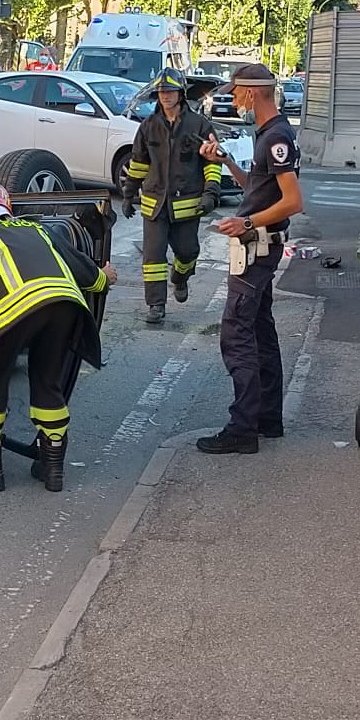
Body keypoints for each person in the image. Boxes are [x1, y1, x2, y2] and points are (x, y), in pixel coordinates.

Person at [0, 180, 116, 492]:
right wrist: (104, 278)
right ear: (7, 209)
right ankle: (52, 467)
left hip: (13, 309)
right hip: (66, 307)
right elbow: (82, 269)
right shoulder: (38, 229)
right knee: (47, 380)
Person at [195, 63, 304, 455]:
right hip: (259, 243)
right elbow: (261, 187)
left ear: (253, 94)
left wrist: (245, 221)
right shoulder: (270, 134)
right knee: (259, 329)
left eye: (237, 93)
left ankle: (243, 428)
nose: (233, 99)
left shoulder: (275, 136)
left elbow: (293, 201)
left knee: (237, 332)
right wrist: (224, 161)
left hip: (256, 247)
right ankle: (267, 418)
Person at [122, 69, 222, 325]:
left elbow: (213, 163)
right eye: (162, 92)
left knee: (188, 252)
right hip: (154, 204)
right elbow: (139, 163)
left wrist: (211, 194)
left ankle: (180, 277)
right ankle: (156, 304)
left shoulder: (199, 125)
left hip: (187, 205)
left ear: (180, 93)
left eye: (170, 91)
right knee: (153, 256)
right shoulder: (148, 127)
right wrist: (128, 194)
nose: (166, 96)